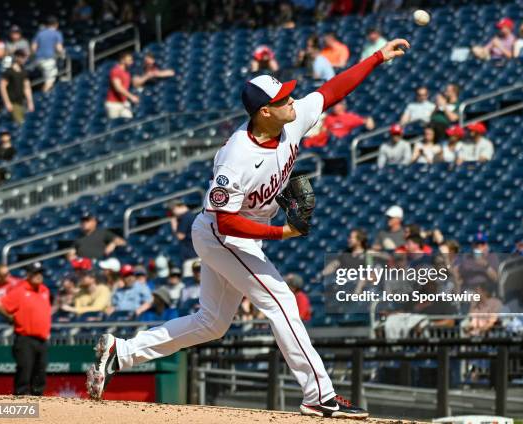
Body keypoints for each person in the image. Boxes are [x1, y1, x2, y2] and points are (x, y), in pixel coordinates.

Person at [86, 37, 411, 419]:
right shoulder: (236, 156)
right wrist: (281, 234)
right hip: (221, 236)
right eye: (283, 99)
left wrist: (376, 57)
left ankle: (121, 352)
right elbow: (226, 220)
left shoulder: (289, 121)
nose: (293, 101)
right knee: (281, 301)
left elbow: (330, 91)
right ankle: (318, 394)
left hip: (241, 234)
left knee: (212, 323)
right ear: (264, 113)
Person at [0, 262, 51, 395]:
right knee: (25, 370)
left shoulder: (45, 290)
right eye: (35, 273)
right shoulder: (20, 291)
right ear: (28, 275)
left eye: (40, 273)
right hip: (25, 339)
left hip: (42, 339)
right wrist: (10, 317)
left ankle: (39, 401)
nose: (38, 276)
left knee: (40, 371)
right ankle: (21, 399)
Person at [302, 101, 374, 148]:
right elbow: (323, 130)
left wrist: (369, 120)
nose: (334, 106)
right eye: (334, 104)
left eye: (337, 104)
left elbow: (366, 121)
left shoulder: (350, 117)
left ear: (343, 106)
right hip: (328, 140)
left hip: (341, 141)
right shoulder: (329, 117)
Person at [0, 49, 34, 125]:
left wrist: (30, 102)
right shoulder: (9, 71)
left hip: (22, 102)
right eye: (23, 57)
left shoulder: (24, 71)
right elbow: (2, 87)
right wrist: (7, 102)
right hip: (13, 102)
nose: (25, 59)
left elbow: (27, 87)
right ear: (17, 57)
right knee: (20, 123)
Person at [32, 16, 64, 92]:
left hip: (38, 60)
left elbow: (33, 47)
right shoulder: (57, 33)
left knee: (45, 77)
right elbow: (59, 48)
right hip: (49, 60)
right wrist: (63, 55)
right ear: (56, 24)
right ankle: (43, 96)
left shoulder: (40, 33)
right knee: (50, 80)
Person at [105, 51, 138, 119]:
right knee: (114, 126)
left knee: (129, 121)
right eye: (129, 60)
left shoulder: (127, 73)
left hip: (124, 103)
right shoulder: (116, 70)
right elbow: (118, 87)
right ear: (122, 60)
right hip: (113, 104)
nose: (131, 62)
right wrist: (131, 96)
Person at [169, 200, 198, 276]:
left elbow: (180, 236)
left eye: (172, 210)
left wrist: (174, 226)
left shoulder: (185, 217)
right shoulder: (190, 215)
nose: (173, 213)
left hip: (190, 256)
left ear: (177, 207)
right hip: (195, 253)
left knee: (189, 281)